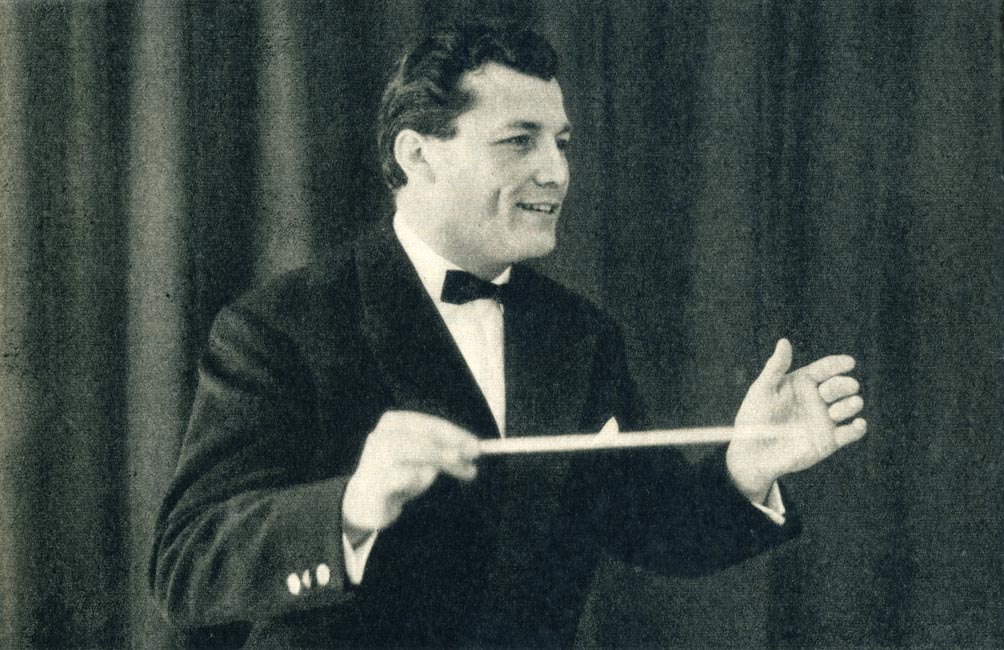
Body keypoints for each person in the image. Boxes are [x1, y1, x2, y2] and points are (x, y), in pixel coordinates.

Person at [150, 21, 867, 649]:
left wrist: (748, 467)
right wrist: (351, 507)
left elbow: (653, 526)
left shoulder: (579, 335)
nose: (555, 171)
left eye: (561, 143)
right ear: (417, 154)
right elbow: (185, 567)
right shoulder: (278, 328)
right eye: (518, 141)